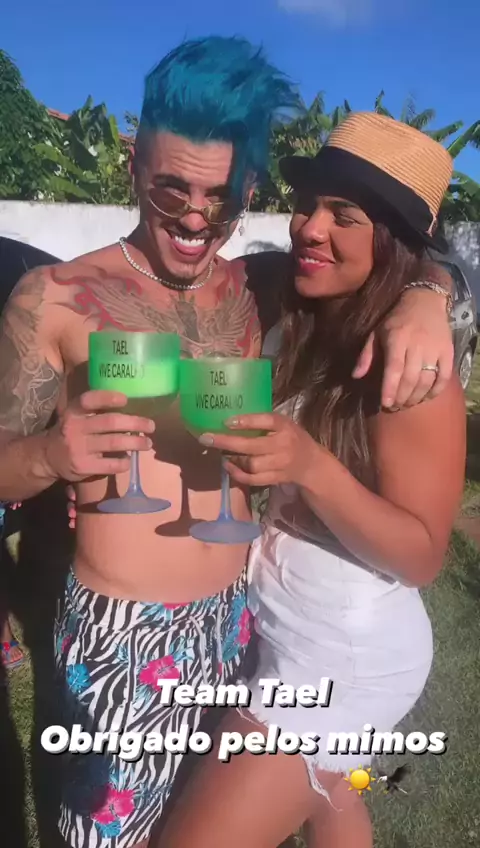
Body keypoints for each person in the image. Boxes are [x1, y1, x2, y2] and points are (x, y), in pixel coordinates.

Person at [0, 37, 455, 848]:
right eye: (171, 187)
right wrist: (47, 457)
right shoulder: (55, 299)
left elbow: (388, 261)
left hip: (242, 626)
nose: (194, 218)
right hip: (121, 631)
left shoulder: (266, 287)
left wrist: (431, 291)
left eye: (219, 195)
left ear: (248, 186)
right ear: (134, 164)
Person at [151, 113, 466, 848]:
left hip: (342, 653)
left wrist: (309, 466)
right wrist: (433, 282)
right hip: (286, 619)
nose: (308, 228)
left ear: (391, 240)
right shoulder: (301, 306)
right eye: (307, 205)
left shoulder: (415, 373)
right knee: (331, 802)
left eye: (343, 215)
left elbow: (423, 556)